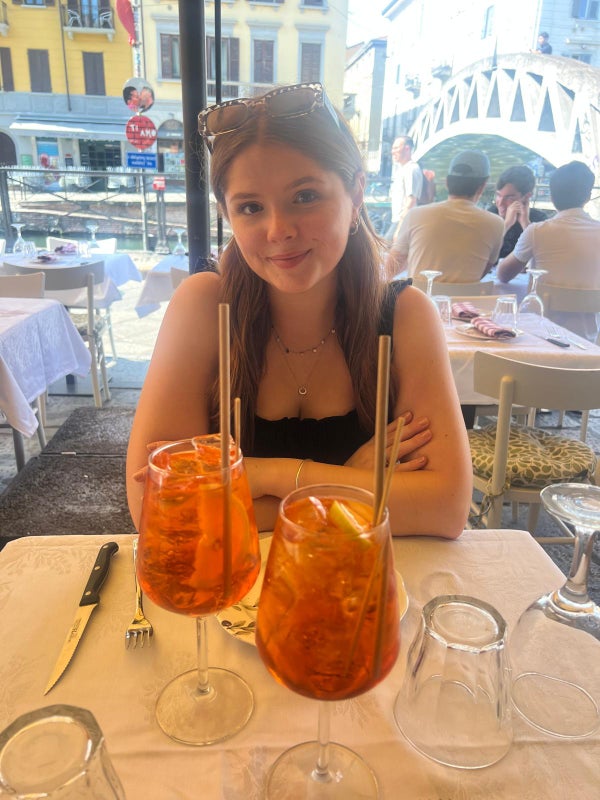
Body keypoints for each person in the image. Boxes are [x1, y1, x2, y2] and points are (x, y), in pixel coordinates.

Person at [126, 82, 472, 538]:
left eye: (305, 196)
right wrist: (348, 482)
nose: (279, 230)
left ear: (356, 194)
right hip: (236, 583)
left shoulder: (406, 316)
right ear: (228, 215)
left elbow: (446, 508)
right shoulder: (203, 306)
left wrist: (267, 475)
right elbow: (157, 511)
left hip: (359, 579)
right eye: (251, 207)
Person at [497, 160, 600, 338]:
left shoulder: (538, 231)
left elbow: (503, 274)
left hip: (540, 338)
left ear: (551, 197)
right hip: (589, 343)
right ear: (588, 197)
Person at [385, 150, 504, 282]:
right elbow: (481, 272)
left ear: (447, 182)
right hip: (466, 296)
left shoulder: (416, 215)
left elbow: (391, 267)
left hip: (419, 295)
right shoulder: (497, 224)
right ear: (482, 186)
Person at [489, 165, 547, 260]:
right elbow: (484, 252)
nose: (500, 203)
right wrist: (506, 224)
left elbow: (542, 256)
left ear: (526, 196)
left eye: (509, 197)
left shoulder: (539, 220)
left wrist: (525, 224)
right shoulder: (491, 215)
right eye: (498, 195)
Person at [385, 136, 423, 242]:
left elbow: (411, 200)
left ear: (407, 148)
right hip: (399, 220)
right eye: (393, 148)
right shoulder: (403, 169)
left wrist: (399, 228)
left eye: (396, 148)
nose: (392, 151)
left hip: (404, 221)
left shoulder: (411, 169)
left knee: (386, 247)